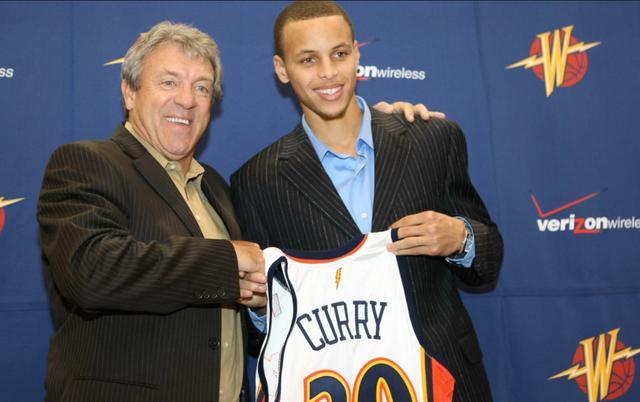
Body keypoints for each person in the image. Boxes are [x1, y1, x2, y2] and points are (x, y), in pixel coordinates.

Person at [37, 20, 437, 402]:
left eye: (201, 87)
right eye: (169, 82)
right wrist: (228, 261)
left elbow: (241, 322)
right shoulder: (86, 163)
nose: (186, 99)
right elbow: (91, 272)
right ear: (129, 92)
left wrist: (262, 307)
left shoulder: (215, 187)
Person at [231, 2, 504, 402]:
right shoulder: (257, 181)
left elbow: (488, 261)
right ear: (282, 69)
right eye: (308, 59)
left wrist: (461, 237)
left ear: (357, 55)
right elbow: (262, 337)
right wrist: (260, 308)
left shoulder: (432, 138)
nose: (328, 72)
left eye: (339, 53)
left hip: (445, 379)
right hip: (334, 387)